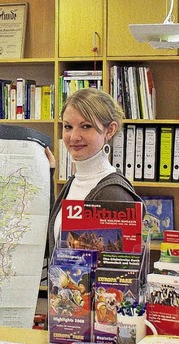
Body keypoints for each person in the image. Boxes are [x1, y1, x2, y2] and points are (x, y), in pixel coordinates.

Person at [46, 88, 142, 258]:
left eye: (86, 126)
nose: (74, 137)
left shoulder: (113, 193)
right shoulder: (75, 181)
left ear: (110, 130)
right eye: (68, 126)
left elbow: (120, 274)